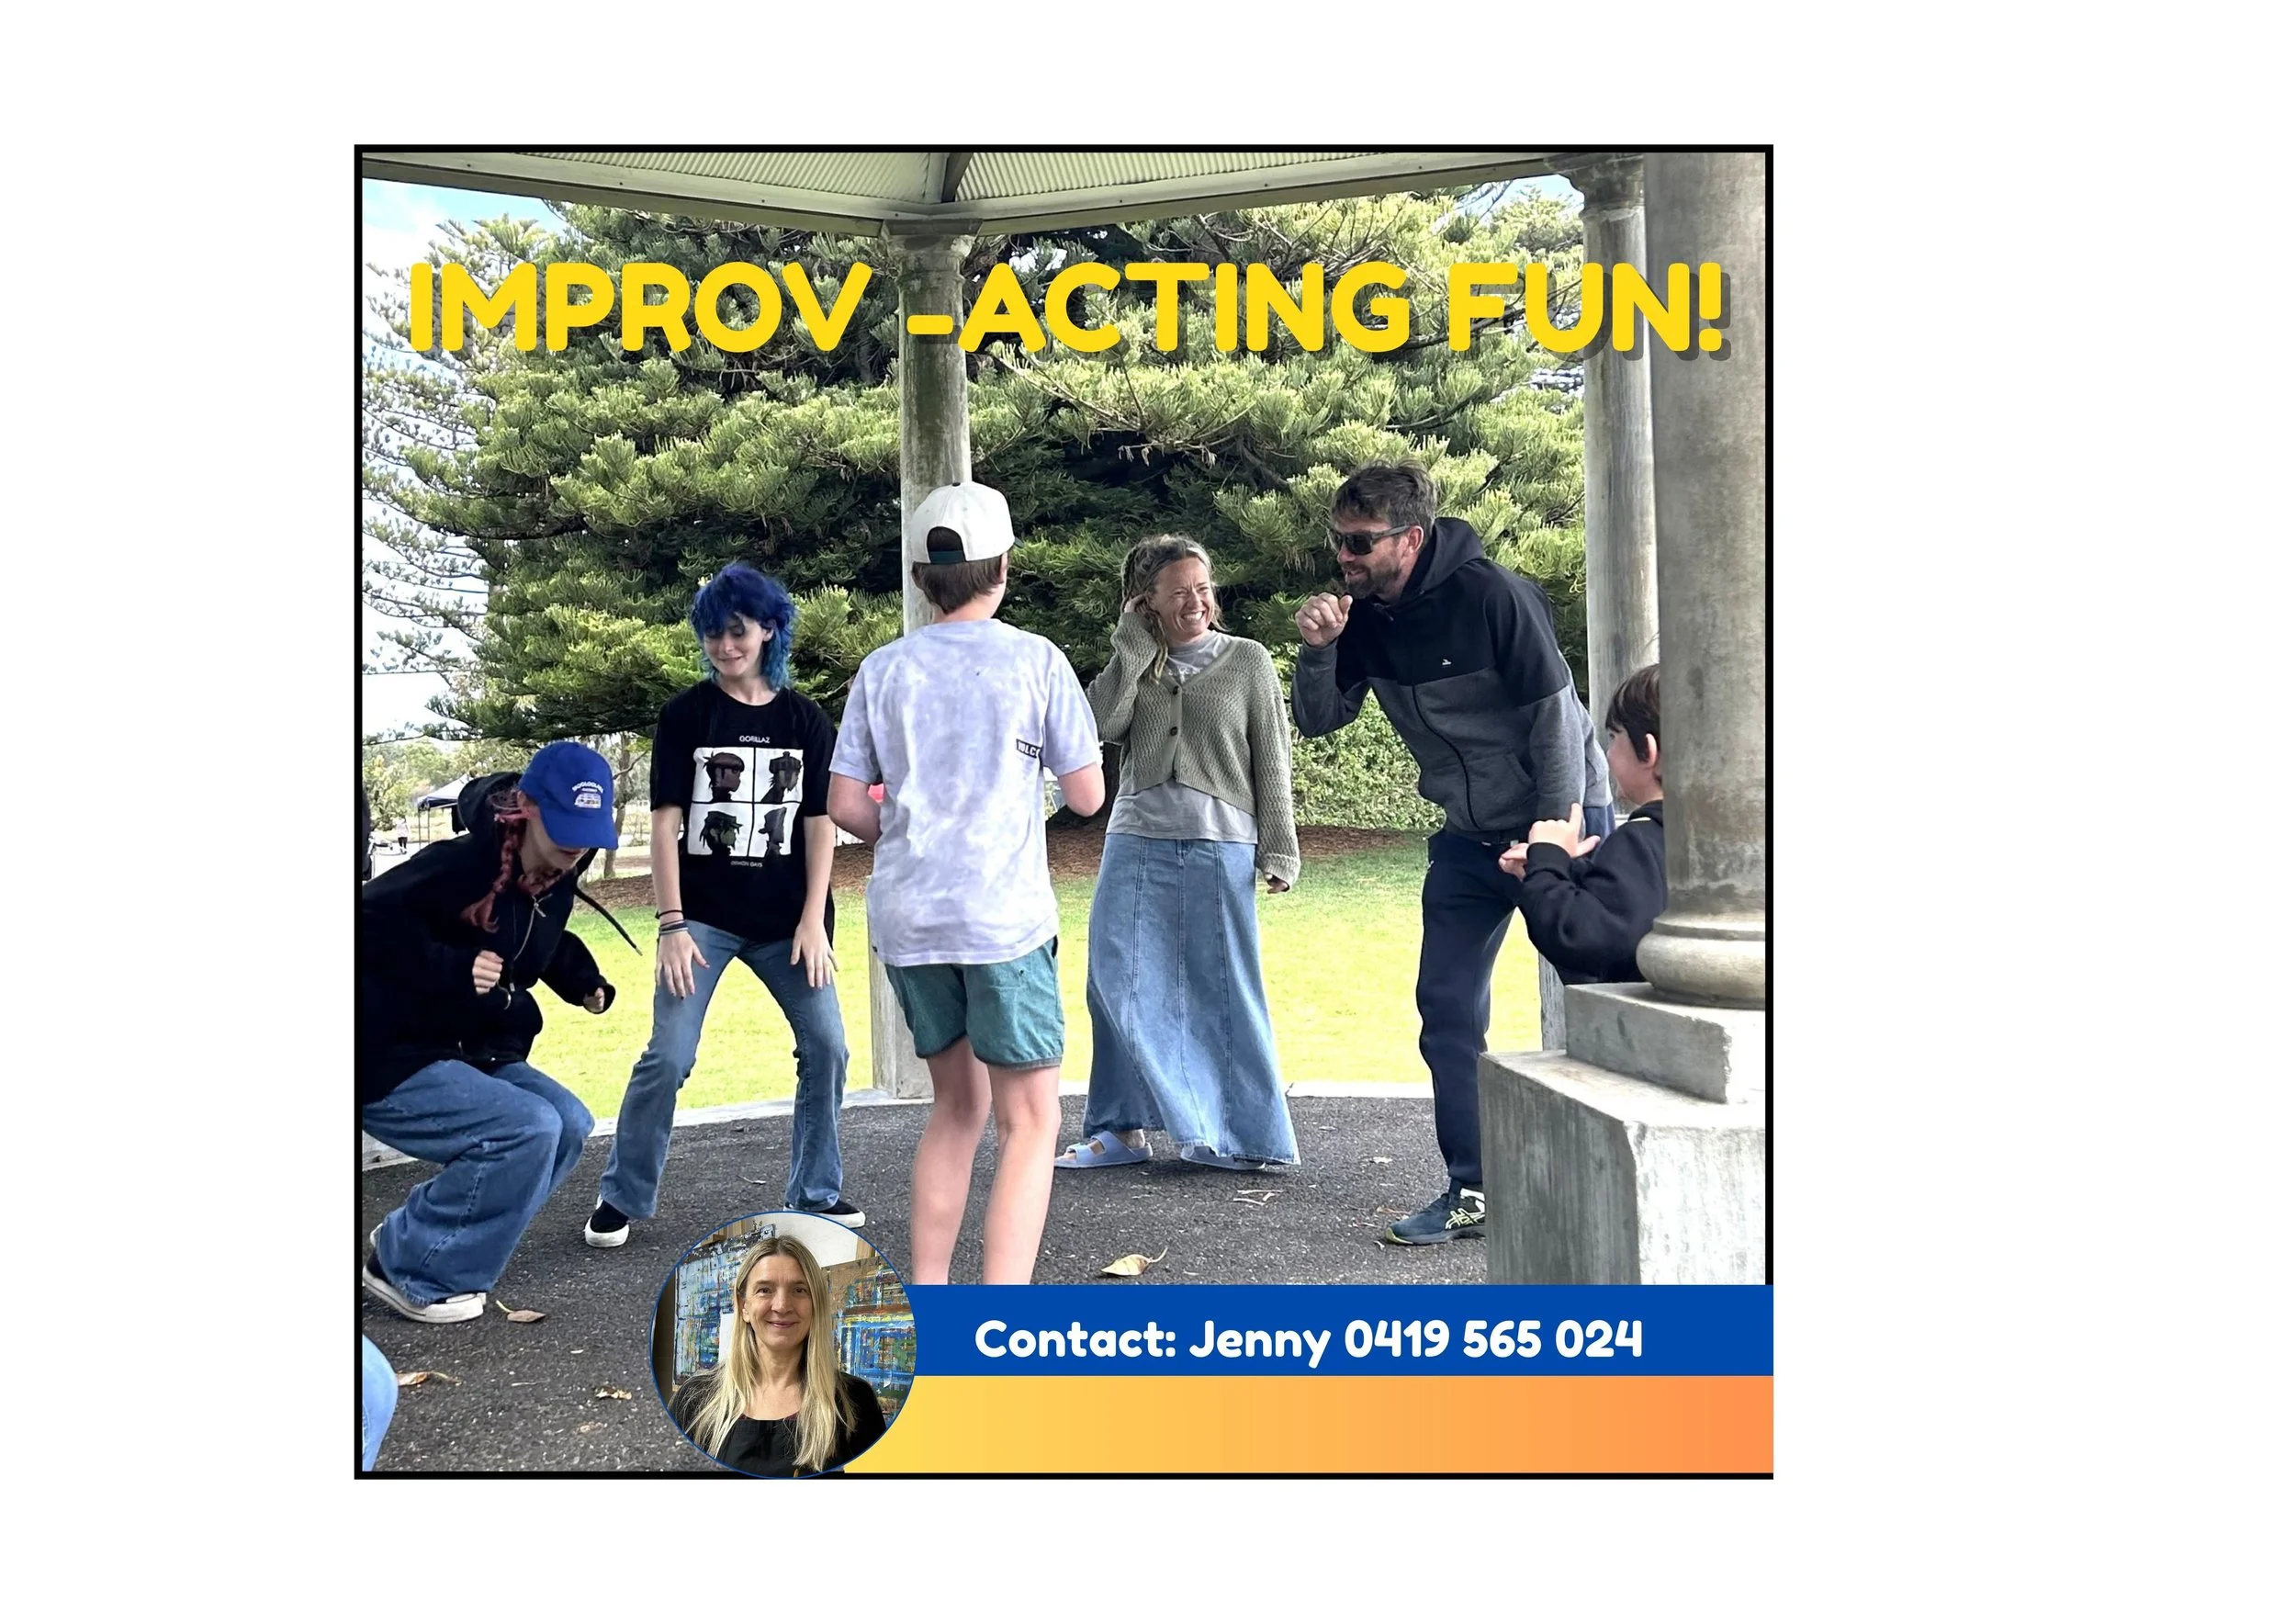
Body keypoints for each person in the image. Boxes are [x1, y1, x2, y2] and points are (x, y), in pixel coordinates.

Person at [1291, 462, 1610, 1246]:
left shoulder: (1496, 596)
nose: (1346, 558)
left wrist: (1552, 836)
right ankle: (1475, 1189)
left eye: (1361, 542)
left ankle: (1612, 1173)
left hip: (1558, 820)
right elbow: (1320, 718)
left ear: (1411, 537)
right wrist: (1320, 648)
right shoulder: (1363, 615)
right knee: (1446, 1008)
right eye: (1339, 542)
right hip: (1466, 840)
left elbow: (1555, 725)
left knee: (1604, 999)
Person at [827, 480, 1105, 1285]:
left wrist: (909, 833)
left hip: (910, 918)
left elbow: (846, 803)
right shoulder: (1036, 660)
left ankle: (932, 1301)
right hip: (1001, 919)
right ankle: (999, 1320)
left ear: (920, 577)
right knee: (1029, 1119)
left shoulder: (883, 670)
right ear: (1005, 568)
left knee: (956, 1108)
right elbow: (1086, 794)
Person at [585, 565, 859, 1247]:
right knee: (668, 1055)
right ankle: (621, 1195)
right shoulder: (686, 715)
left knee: (827, 1045)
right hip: (702, 920)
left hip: (788, 923)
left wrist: (812, 920)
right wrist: (672, 925)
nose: (724, 645)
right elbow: (664, 827)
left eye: (736, 631)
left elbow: (820, 824)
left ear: (768, 629)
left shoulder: (805, 719)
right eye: (712, 633)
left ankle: (816, 1192)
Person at [1055, 534, 1300, 1174]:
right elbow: (1096, 728)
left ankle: (1242, 1134)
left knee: (1223, 989)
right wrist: (1132, 645)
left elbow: (1272, 758)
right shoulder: (1134, 661)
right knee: (1113, 982)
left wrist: (1280, 847)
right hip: (1136, 838)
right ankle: (1120, 1130)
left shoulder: (1247, 660)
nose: (1196, 601)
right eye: (1179, 592)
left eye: (1203, 587)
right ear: (1147, 602)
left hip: (1222, 841)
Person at [358, 741, 620, 1321]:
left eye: (586, 835)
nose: (574, 850)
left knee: (571, 1123)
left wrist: (582, 981)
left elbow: (544, 944)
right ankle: (407, 1267)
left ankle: (419, 1241)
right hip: (388, 1050)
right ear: (525, 807)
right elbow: (365, 922)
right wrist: (451, 968)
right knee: (526, 1128)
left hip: (472, 1047)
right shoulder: (458, 865)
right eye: (565, 830)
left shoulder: (555, 877)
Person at [667, 1235, 888, 1476]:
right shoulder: (694, 1400)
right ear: (743, 1306)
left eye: (799, 1290)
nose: (782, 1305)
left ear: (816, 1305)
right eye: (764, 1290)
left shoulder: (855, 1402)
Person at [1500, 664, 1667, 982]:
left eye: (1614, 736)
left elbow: (1581, 937)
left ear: (1649, 750)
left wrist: (1547, 862)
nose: (1608, 750)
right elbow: (1636, 904)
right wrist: (1561, 869)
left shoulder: (1640, 841)